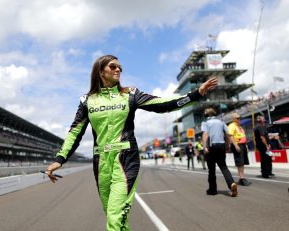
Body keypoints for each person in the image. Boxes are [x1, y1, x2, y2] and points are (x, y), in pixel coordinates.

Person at [46, 54, 218, 230]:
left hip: (126, 159)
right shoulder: (87, 100)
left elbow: (163, 104)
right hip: (101, 163)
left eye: (120, 67)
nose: (118, 69)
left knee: (115, 217)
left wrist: (195, 94)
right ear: (100, 71)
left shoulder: (130, 94)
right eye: (113, 66)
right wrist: (60, 159)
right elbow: (75, 132)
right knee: (116, 218)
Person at [201, 107, 238, 197]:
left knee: (211, 169)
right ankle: (231, 184)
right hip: (221, 146)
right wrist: (228, 146)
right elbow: (228, 134)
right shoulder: (221, 122)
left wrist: (205, 146)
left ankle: (212, 190)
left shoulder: (205, 123)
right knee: (223, 167)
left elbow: (205, 134)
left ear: (206, 115)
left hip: (212, 146)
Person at [227, 112, 251, 186]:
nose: (239, 119)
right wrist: (236, 145)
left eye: (240, 117)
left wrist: (246, 146)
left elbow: (243, 137)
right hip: (238, 145)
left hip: (243, 145)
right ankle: (241, 179)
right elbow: (230, 136)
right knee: (240, 163)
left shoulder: (239, 126)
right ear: (233, 119)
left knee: (242, 162)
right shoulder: (232, 126)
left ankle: (242, 178)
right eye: (237, 118)